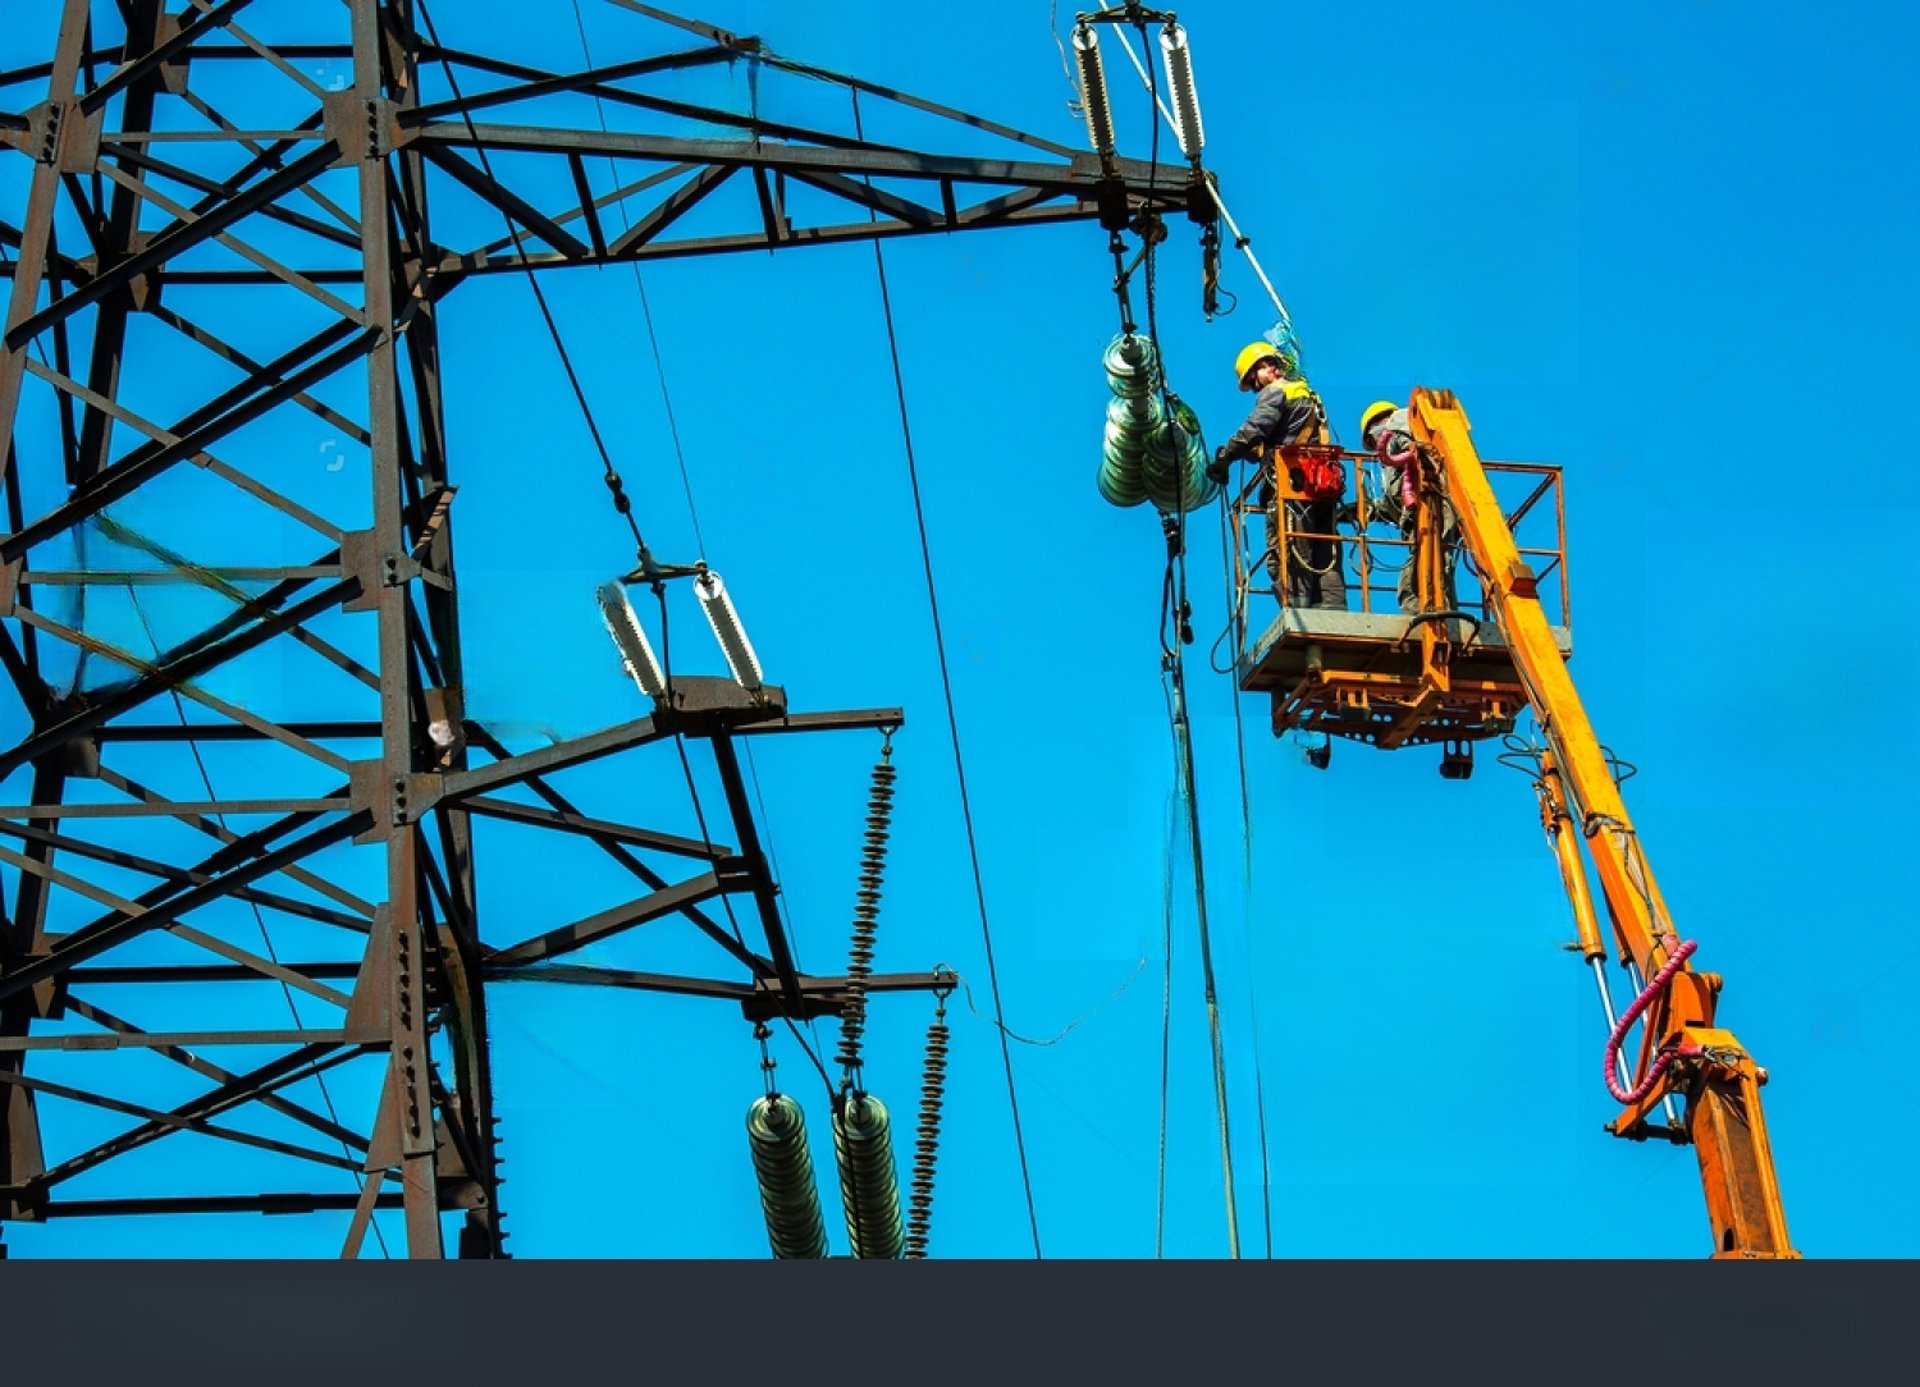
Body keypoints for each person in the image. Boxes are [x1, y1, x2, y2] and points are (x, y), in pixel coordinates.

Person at [1207, 342, 1347, 610]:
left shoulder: (1275, 391)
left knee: (1288, 546)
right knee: (1325, 547)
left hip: (1292, 485)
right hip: (1321, 483)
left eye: (1253, 378)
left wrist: (1226, 456)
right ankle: (1333, 607)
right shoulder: (1307, 394)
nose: (1255, 386)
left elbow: (1255, 428)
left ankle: (1298, 612)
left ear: (1266, 367)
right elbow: (1289, 433)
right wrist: (1258, 451)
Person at [1359, 399, 1458, 614]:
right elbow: (1391, 502)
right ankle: (1439, 608)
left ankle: (1426, 610)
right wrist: (1361, 510)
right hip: (1420, 513)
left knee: (1433, 563)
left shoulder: (1396, 428)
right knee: (1437, 561)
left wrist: (1410, 507)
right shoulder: (1390, 460)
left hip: (1431, 506)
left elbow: (1416, 459)